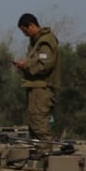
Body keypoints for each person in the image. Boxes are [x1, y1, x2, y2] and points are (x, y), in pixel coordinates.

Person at [12, 14, 61, 152]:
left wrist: (26, 65)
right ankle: (38, 153)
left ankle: (45, 153)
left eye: (25, 31)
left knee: (39, 121)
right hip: (36, 88)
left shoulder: (46, 41)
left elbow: (45, 64)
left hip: (43, 89)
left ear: (32, 26)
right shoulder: (37, 41)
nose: (25, 35)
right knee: (33, 122)